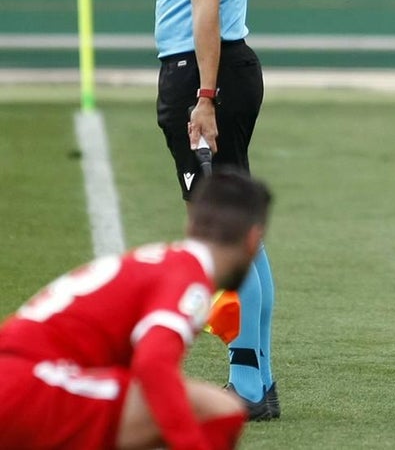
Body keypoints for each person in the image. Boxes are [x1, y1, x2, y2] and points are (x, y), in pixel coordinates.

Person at [152, 0, 277, 420]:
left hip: (211, 73)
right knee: (233, 231)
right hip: (198, 71)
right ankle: (257, 380)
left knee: (225, 236)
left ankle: (251, 385)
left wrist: (203, 94)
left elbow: (208, 3)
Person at [0, 167, 272, 450]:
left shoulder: (161, 261)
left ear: (190, 226)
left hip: (23, 381)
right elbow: (153, 363)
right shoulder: (189, 279)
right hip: (27, 388)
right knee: (218, 408)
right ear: (253, 240)